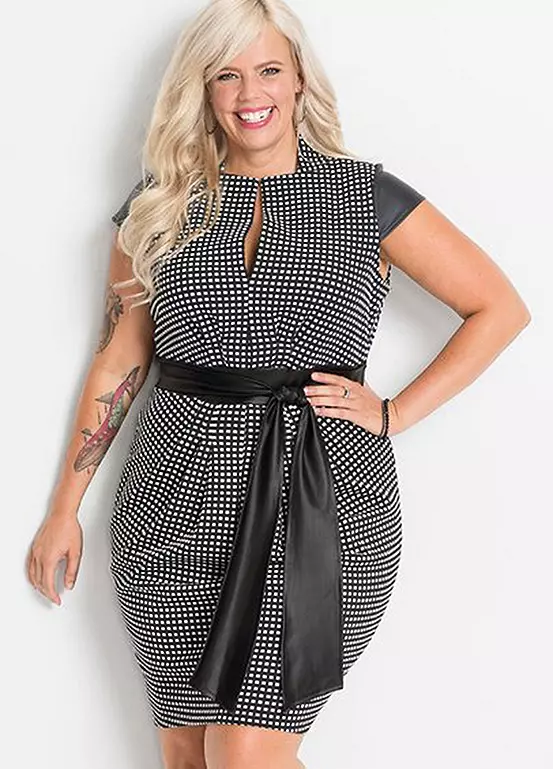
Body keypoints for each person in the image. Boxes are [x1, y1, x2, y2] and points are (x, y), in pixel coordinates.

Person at [26, 0, 531, 767]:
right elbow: (119, 359)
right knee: (188, 753)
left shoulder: (365, 196)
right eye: (224, 74)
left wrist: (394, 413)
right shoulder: (158, 208)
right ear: (201, 89)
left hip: (322, 501)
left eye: (267, 69)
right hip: (172, 503)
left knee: (243, 751)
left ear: (298, 79)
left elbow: (497, 307)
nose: (248, 92)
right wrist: (64, 509)